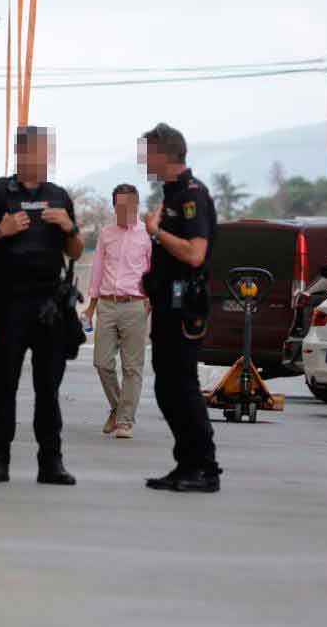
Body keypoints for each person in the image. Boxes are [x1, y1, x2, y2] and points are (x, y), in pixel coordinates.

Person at [0, 126, 84, 485]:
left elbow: (74, 251)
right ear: (21, 154)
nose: (43, 159)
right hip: (11, 302)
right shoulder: (0, 193)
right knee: (6, 385)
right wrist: (1, 231)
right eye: (36, 152)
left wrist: (70, 227)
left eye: (47, 152)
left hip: (49, 305)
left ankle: (51, 462)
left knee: (49, 387)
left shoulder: (58, 196)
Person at [139, 123, 222, 493]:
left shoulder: (192, 195)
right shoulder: (170, 195)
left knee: (182, 386)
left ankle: (205, 468)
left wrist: (157, 232)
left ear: (164, 154)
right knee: (167, 386)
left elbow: (194, 253)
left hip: (185, 304)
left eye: (147, 153)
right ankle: (186, 462)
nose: (143, 160)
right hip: (166, 304)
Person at [84, 184, 152, 439]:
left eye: (130, 206)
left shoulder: (147, 235)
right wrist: (91, 308)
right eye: (120, 206)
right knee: (101, 362)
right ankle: (116, 407)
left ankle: (124, 421)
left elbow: (154, 272)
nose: (125, 211)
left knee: (132, 367)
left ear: (137, 205)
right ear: (114, 206)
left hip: (135, 304)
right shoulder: (106, 234)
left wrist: (150, 302)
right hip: (107, 304)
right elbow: (98, 270)